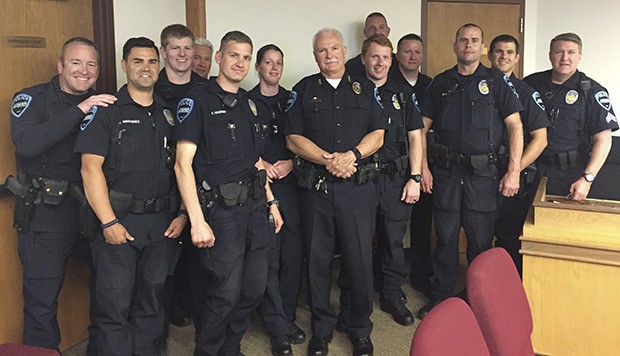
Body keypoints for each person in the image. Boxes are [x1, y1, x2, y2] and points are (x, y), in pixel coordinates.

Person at [75, 37, 187, 355]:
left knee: (152, 303)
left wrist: (181, 215)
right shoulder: (106, 112)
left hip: (162, 225)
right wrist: (108, 221)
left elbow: (180, 168)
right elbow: (89, 169)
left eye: (152, 61)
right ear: (124, 66)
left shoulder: (168, 114)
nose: (146, 68)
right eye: (137, 61)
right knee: (114, 307)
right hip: (118, 225)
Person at [174, 30, 283, 356]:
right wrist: (196, 220)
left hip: (254, 208)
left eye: (246, 57)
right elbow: (182, 166)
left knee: (253, 289)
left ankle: (229, 348)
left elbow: (254, 161)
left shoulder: (249, 104)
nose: (240, 62)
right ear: (219, 58)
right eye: (234, 55)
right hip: (221, 214)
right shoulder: (196, 101)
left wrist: (272, 203)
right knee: (224, 293)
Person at [9, 37, 116, 351]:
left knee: (109, 290)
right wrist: (81, 109)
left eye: (91, 64)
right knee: (41, 301)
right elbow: (27, 143)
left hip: (91, 212)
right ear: (60, 66)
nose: (84, 71)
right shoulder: (31, 98)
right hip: (46, 216)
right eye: (76, 63)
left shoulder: (105, 103)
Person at [285, 28, 385, 356]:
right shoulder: (302, 90)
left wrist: (352, 156)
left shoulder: (365, 88)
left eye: (333, 49)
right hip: (317, 191)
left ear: (344, 51)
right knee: (317, 262)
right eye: (321, 51)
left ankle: (360, 329)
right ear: (315, 56)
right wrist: (329, 160)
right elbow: (293, 139)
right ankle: (322, 330)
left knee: (359, 262)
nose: (329, 55)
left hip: (357, 192)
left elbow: (379, 133)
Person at [417, 23, 523, 319]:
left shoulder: (498, 83)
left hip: (483, 176)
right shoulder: (439, 83)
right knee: (446, 240)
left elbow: (515, 126)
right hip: (447, 174)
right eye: (463, 40)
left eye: (475, 40)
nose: (468, 45)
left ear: (482, 47)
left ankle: (481, 303)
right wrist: (422, 167)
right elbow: (421, 128)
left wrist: (513, 171)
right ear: (455, 45)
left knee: (480, 243)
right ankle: (441, 298)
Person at [361, 35, 423, 326]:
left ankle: (391, 294)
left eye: (385, 57)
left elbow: (415, 136)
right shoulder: (352, 92)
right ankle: (356, 298)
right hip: (360, 181)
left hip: (395, 179)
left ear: (393, 59)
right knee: (358, 241)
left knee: (393, 240)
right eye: (375, 57)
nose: (380, 63)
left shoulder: (402, 94)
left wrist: (415, 177)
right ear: (364, 59)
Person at [249, 44, 305, 356]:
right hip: (261, 189)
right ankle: (276, 325)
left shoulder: (292, 100)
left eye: (279, 63)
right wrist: (261, 164)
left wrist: (292, 163)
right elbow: (241, 145)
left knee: (292, 256)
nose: (273, 68)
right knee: (269, 255)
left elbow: (305, 140)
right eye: (268, 62)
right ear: (257, 67)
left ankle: (287, 314)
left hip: (292, 186)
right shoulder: (246, 102)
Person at [154, 24, 206, 337]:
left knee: (199, 255)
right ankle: (165, 315)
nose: (183, 54)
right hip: (161, 184)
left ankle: (195, 308)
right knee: (163, 260)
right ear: (163, 52)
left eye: (187, 48)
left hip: (200, 180)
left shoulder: (205, 89)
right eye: (175, 48)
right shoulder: (149, 86)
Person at [524, 33, 617, 202]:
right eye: (559, 52)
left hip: (569, 175)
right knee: (518, 224)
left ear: (580, 56)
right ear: (550, 55)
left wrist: (587, 179)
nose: (565, 57)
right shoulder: (531, 84)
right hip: (529, 169)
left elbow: (604, 140)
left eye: (571, 52)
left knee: (558, 224)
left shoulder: (593, 91)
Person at [489, 34, 549, 276]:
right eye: (499, 51)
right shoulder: (477, 86)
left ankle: (506, 288)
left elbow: (540, 139)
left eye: (509, 52)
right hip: (479, 174)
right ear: (490, 55)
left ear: (517, 58)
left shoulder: (525, 92)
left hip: (511, 176)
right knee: (479, 233)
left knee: (507, 235)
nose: (504, 56)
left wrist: (513, 172)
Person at [393, 33, 434, 298]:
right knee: (390, 229)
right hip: (393, 166)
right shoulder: (387, 81)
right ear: (398, 55)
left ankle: (420, 275)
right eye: (407, 52)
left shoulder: (431, 85)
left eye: (417, 52)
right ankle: (388, 281)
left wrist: (423, 168)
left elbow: (429, 130)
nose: (412, 57)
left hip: (423, 167)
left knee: (422, 224)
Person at [345, 12, 399, 78]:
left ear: (388, 31)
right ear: (365, 32)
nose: (377, 32)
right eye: (372, 28)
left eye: (381, 27)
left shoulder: (400, 63)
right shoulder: (352, 66)